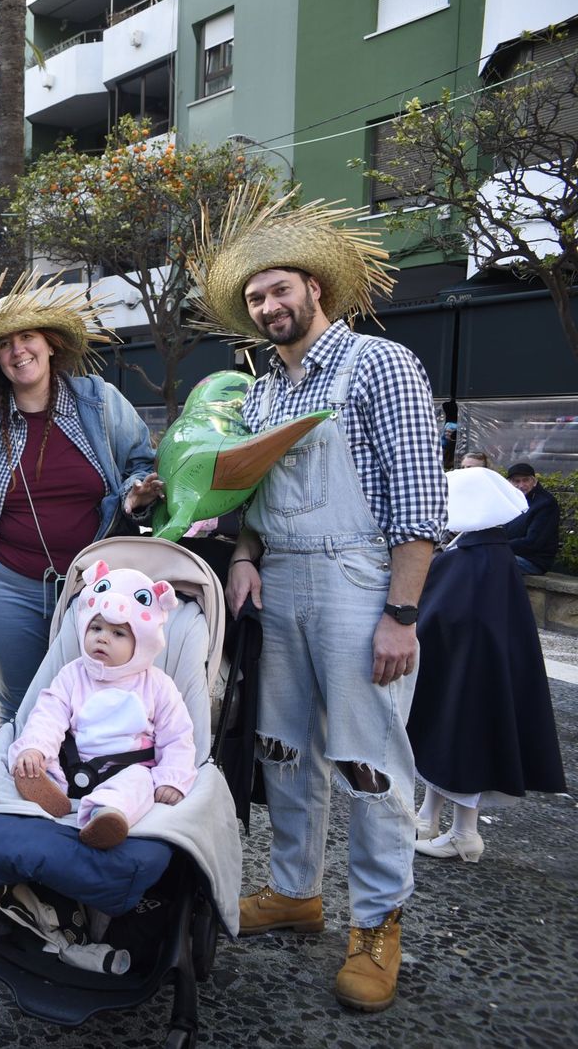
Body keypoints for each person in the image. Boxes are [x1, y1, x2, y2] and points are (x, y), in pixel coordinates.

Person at [198, 195, 447, 1012]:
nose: (269, 307)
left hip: (358, 580)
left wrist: (401, 614)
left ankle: (377, 926)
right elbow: (253, 495)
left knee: (370, 763)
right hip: (285, 580)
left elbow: (420, 501)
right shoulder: (263, 391)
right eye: (257, 299)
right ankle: (296, 892)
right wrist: (243, 555)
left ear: (315, 289)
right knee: (281, 749)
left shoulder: (383, 365)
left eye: (279, 291)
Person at [0, 274, 163, 731]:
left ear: (51, 344)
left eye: (27, 337)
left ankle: (83, 797)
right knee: (20, 704)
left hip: (91, 583)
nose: (18, 351)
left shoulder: (98, 402)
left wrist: (135, 492)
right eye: (5, 344)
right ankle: (14, 799)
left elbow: (141, 459)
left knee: (93, 697)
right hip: (3, 586)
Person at [409, 467, 567, 863]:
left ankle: (464, 833)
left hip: (469, 672)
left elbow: (439, 611)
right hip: (477, 668)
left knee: (462, 744)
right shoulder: (489, 550)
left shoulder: (470, 556)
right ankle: (428, 816)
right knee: (447, 741)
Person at [6, 562, 197, 851]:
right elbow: (49, 715)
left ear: (141, 642)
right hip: (75, 760)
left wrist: (172, 778)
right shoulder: (73, 674)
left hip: (128, 767)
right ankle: (48, 786)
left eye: (118, 634)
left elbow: (177, 737)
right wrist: (35, 748)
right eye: (95, 628)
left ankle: (105, 815)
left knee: (139, 784)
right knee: (43, 755)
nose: (102, 637)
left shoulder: (157, 685)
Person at [502, 462, 560, 575]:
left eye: (525, 480)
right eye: (516, 481)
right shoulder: (509, 500)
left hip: (533, 560)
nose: (521, 485)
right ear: (509, 483)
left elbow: (533, 542)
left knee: (489, 561)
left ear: (534, 482)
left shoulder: (546, 503)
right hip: (508, 553)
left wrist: (498, 546)